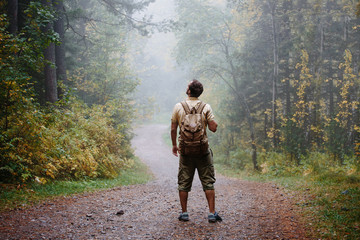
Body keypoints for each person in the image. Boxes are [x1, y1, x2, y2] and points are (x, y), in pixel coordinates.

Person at [171, 79, 222, 223]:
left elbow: (173, 128)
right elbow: (213, 128)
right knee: (208, 182)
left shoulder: (178, 107)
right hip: (202, 151)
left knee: (184, 182)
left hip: (186, 151)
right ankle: (212, 213)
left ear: (189, 91)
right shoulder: (206, 107)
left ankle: (184, 213)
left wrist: (175, 145)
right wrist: (212, 123)